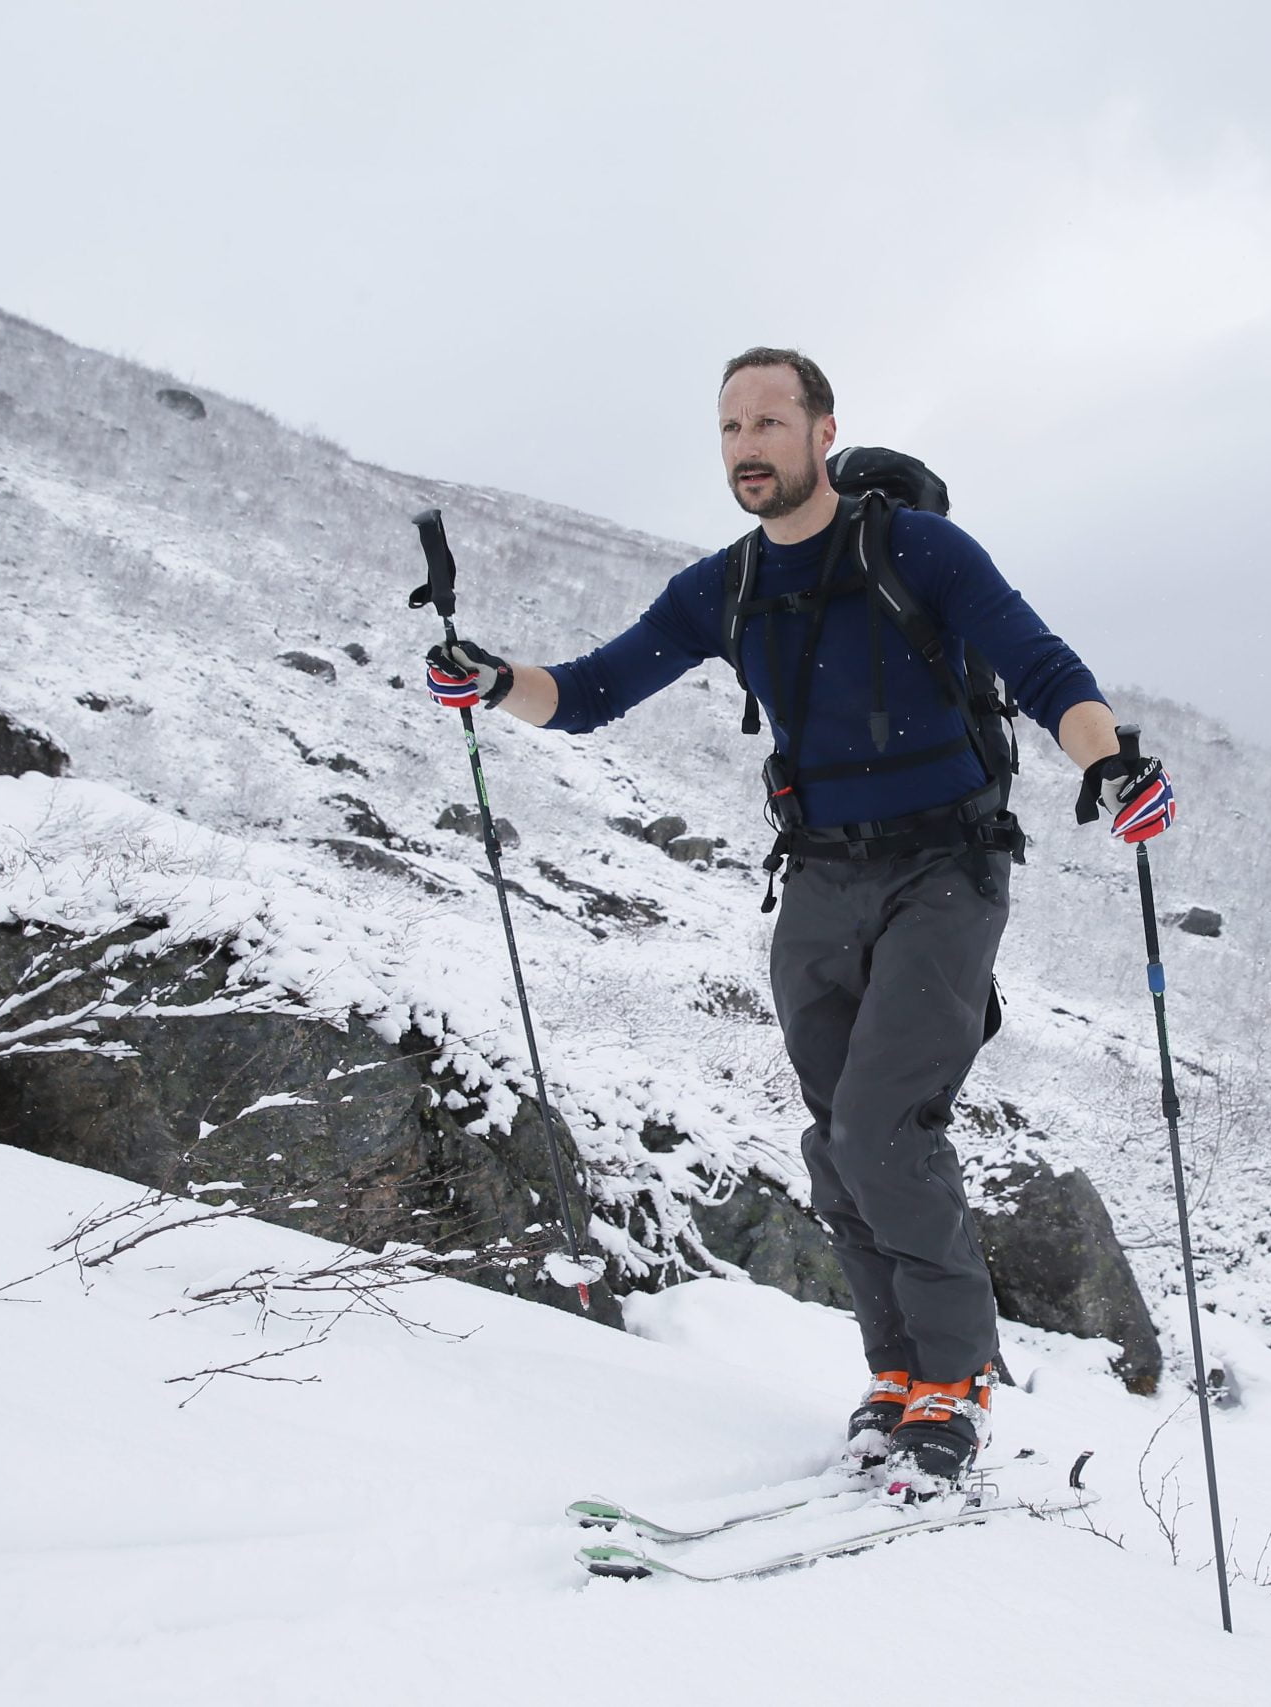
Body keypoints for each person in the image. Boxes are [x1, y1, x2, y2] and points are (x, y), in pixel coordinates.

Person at [422, 347, 1172, 1490]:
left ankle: (958, 1382)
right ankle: (897, 1374)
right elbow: (589, 693)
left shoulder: (918, 551)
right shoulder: (723, 587)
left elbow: (1041, 666)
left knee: (883, 1125)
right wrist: (492, 682)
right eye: (729, 428)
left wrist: (1112, 766)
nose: (747, 446)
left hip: (946, 872)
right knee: (834, 1143)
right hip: (818, 883)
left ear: (824, 432)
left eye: (770, 422)